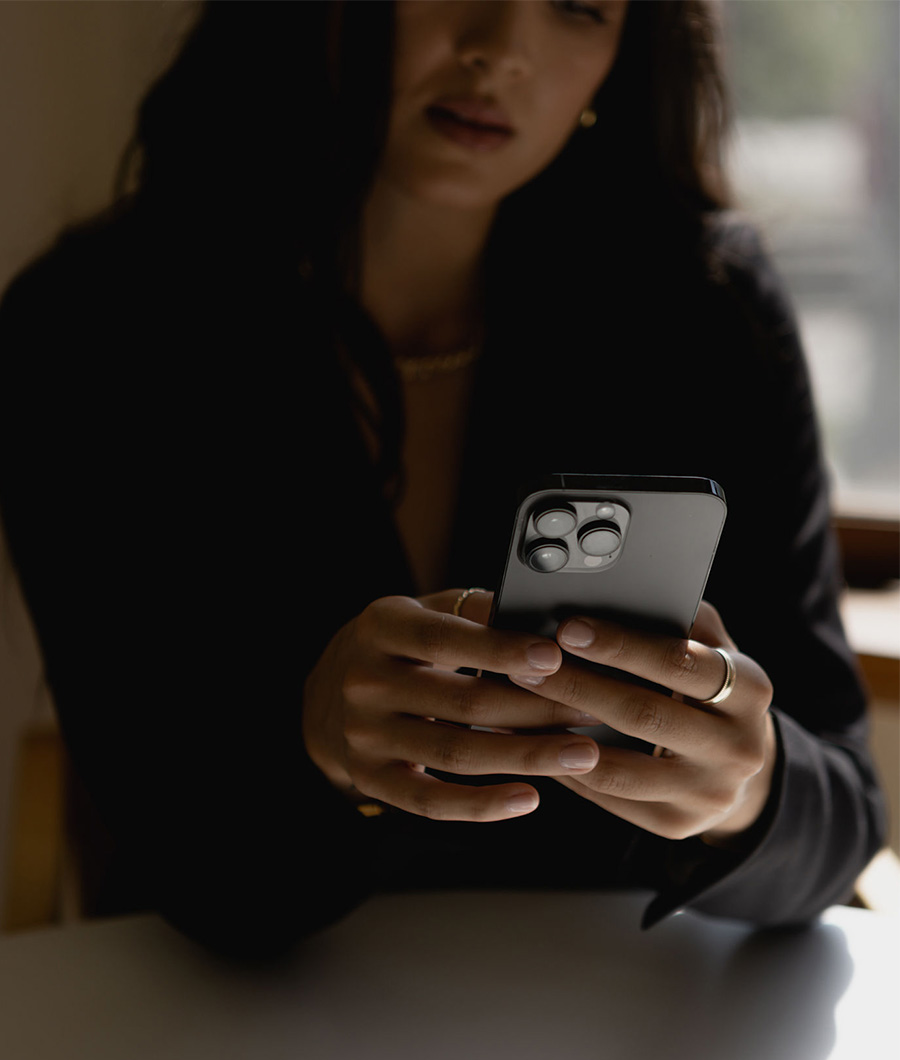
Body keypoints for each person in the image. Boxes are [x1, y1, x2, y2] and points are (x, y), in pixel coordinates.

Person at [0, 0, 886, 961]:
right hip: (244, 1045)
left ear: (623, 57)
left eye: (580, 6)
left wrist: (748, 793)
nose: (500, 50)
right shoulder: (87, 336)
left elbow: (841, 823)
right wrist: (321, 756)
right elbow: (191, 866)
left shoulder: (711, 316)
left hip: (614, 1044)